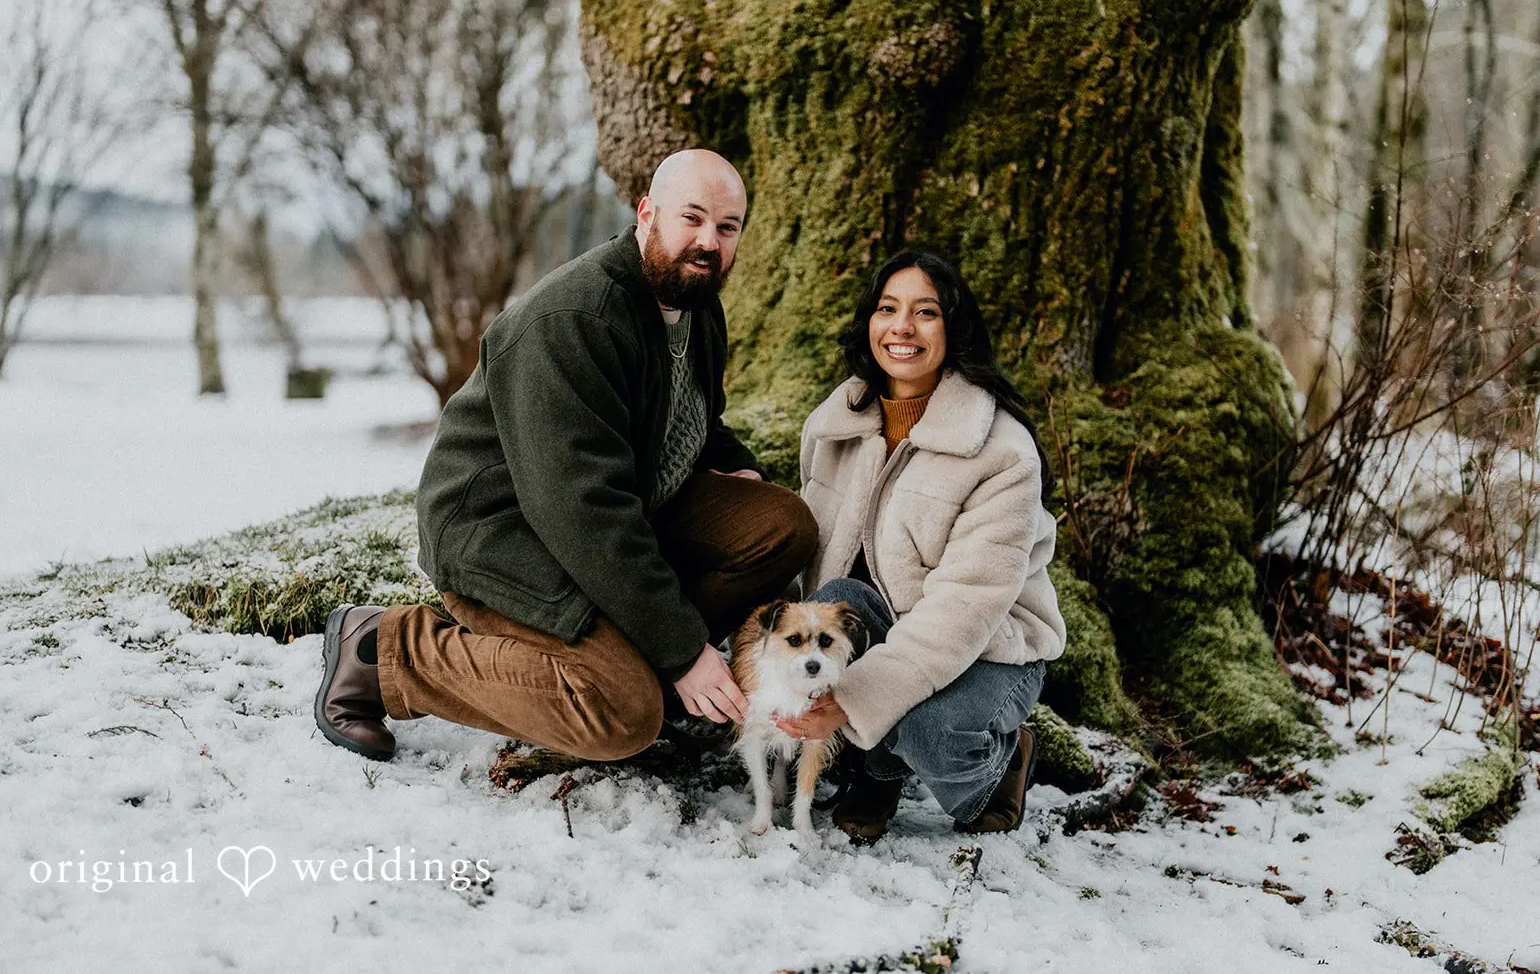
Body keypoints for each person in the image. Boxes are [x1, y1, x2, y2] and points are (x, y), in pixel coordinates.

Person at [315, 149, 817, 763]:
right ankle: (385, 650)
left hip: (615, 509)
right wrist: (684, 650)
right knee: (622, 712)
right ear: (647, 214)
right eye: (692, 218)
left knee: (781, 525)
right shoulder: (575, 319)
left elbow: (688, 417)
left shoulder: (695, 303)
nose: (708, 242)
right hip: (506, 532)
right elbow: (582, 511)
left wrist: (741, 467)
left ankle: (652, 676)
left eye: (727, 226)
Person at [774, 250, 1066, 843]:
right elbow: (814, 561)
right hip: (889, 623)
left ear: (953, 329)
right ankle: (879, 769)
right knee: (835, 600)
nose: (902, 328)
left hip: (991, 646)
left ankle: (1002, 764)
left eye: (925, 312)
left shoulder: (1002, 451)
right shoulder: (836, 421)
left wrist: (855, 697)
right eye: (888, 309)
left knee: (930, 731)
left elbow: (965, 609)